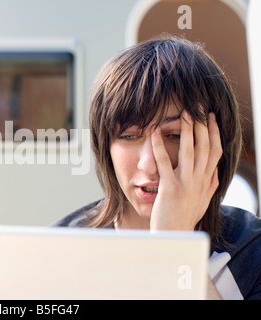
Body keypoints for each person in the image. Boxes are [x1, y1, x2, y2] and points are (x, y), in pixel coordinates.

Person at [54, 35, 261, 300]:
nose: (149, 164)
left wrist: (174, 243)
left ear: (216, 144)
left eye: (174, 135)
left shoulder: (252, 253)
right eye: (129, 136)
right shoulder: (60, 249)